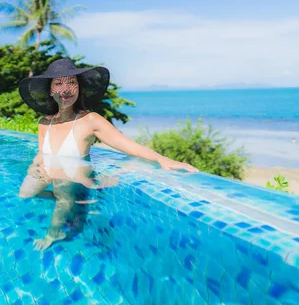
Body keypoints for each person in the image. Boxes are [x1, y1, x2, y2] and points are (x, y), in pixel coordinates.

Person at [18, 58, 198, 249]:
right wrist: (36, 167)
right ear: (51, 90)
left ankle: (54, 233)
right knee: (25, 194)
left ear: (79, 88)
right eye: (59, 83)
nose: (66, 90)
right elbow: (41, 153)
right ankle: (71, 199)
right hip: (51, 173)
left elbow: (127, 145)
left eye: (72, 82)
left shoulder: (90, 120)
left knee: (63, 188)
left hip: (72, 177)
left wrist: (162, 159)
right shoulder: (45, 122)